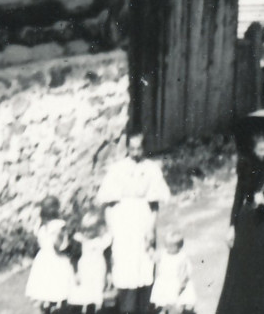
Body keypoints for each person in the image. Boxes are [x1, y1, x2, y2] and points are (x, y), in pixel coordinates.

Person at [216, 131, 264, 314]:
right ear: (253, 149)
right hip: (248, 222)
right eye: (260, 150)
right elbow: (238, 197)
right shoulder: (246, 165)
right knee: (245, 270)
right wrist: (231, 226)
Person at [99, 132, 172, 314]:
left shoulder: (151, 168)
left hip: (143, 219)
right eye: (132, 148)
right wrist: (111, 227)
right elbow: (107, 202)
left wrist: (151, 229)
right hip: (122, 220)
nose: (135, 152)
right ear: (127, 148)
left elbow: (155, 203)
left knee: (145, 262)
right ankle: (126, 307)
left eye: (139, 148)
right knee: (125, 263)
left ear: (144, 148)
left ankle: (143, 306)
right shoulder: (117, 169)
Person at [26, 196, 76, 312]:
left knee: (46, 283)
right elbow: (58, 244)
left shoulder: (40, 225)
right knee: (59, 282)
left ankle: (47, 306)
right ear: (56, 209)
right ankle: (59, 307)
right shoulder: (58, 225)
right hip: (56, 258)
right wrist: (67, 249)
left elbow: (40, 241)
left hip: (43, 258)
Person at [67, 210, 111, 314]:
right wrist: (76, 272)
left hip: (98, 269)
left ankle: (95, 309)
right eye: (84, 230)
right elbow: (74, 257)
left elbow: (107, 257)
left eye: (90, 230)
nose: (86, 233)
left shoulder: (102, 241)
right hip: (85, 269)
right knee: (84, 292)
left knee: (97, 291)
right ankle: (84, 309)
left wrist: (109, 273)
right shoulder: (81, 240)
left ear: (97, 229)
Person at [150, 229, 197, 314]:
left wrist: (182, 285)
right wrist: (150, 251)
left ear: (179, 246)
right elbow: (154, 257)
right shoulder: (163, 253)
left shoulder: (182, 257)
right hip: (164, 283)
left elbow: (184, 273)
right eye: (166, 245)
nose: (168, 247)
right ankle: (163, 311)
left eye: (171, 246)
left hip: (176, 283)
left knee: (178, 304)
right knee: (163, 303)